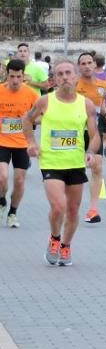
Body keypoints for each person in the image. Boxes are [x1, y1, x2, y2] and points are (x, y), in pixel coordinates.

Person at [22, 60, 101, 267]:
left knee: (73, 211)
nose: (65, 77)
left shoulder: (86, 105)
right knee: (58, 207)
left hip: (75, 163)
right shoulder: (45, 101)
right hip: (51, 162)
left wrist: (91, 152)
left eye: (68, 73)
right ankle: (55, 238)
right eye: (60, 74)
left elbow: (94, 136)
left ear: (75, 76)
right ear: (54, 79)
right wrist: (31, 142)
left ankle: (66, 245)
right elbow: (26, 120)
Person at [75, 52, 106, 223]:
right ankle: (71, 206)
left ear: (94, 64)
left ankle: (92, 209)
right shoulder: (74, 83)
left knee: (97, 167)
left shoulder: (103, 84)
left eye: (89, 62)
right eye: (82, 63)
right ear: (79, 67)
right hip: (74, 132)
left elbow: (102, 104)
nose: (86, 65)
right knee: (75, 170)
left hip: (93, 132)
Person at [0, 58, 39, 227]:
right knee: (2, 177)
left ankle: (12, 213)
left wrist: (30, 121)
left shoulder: (31, 94)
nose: (15, 80)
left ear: (24, 76)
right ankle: (2, 200)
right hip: (1, 141)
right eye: (12, 76)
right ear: (6, 75)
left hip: (22, 143)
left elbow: (43, 116)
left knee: (20, 180)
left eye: (18, 77)